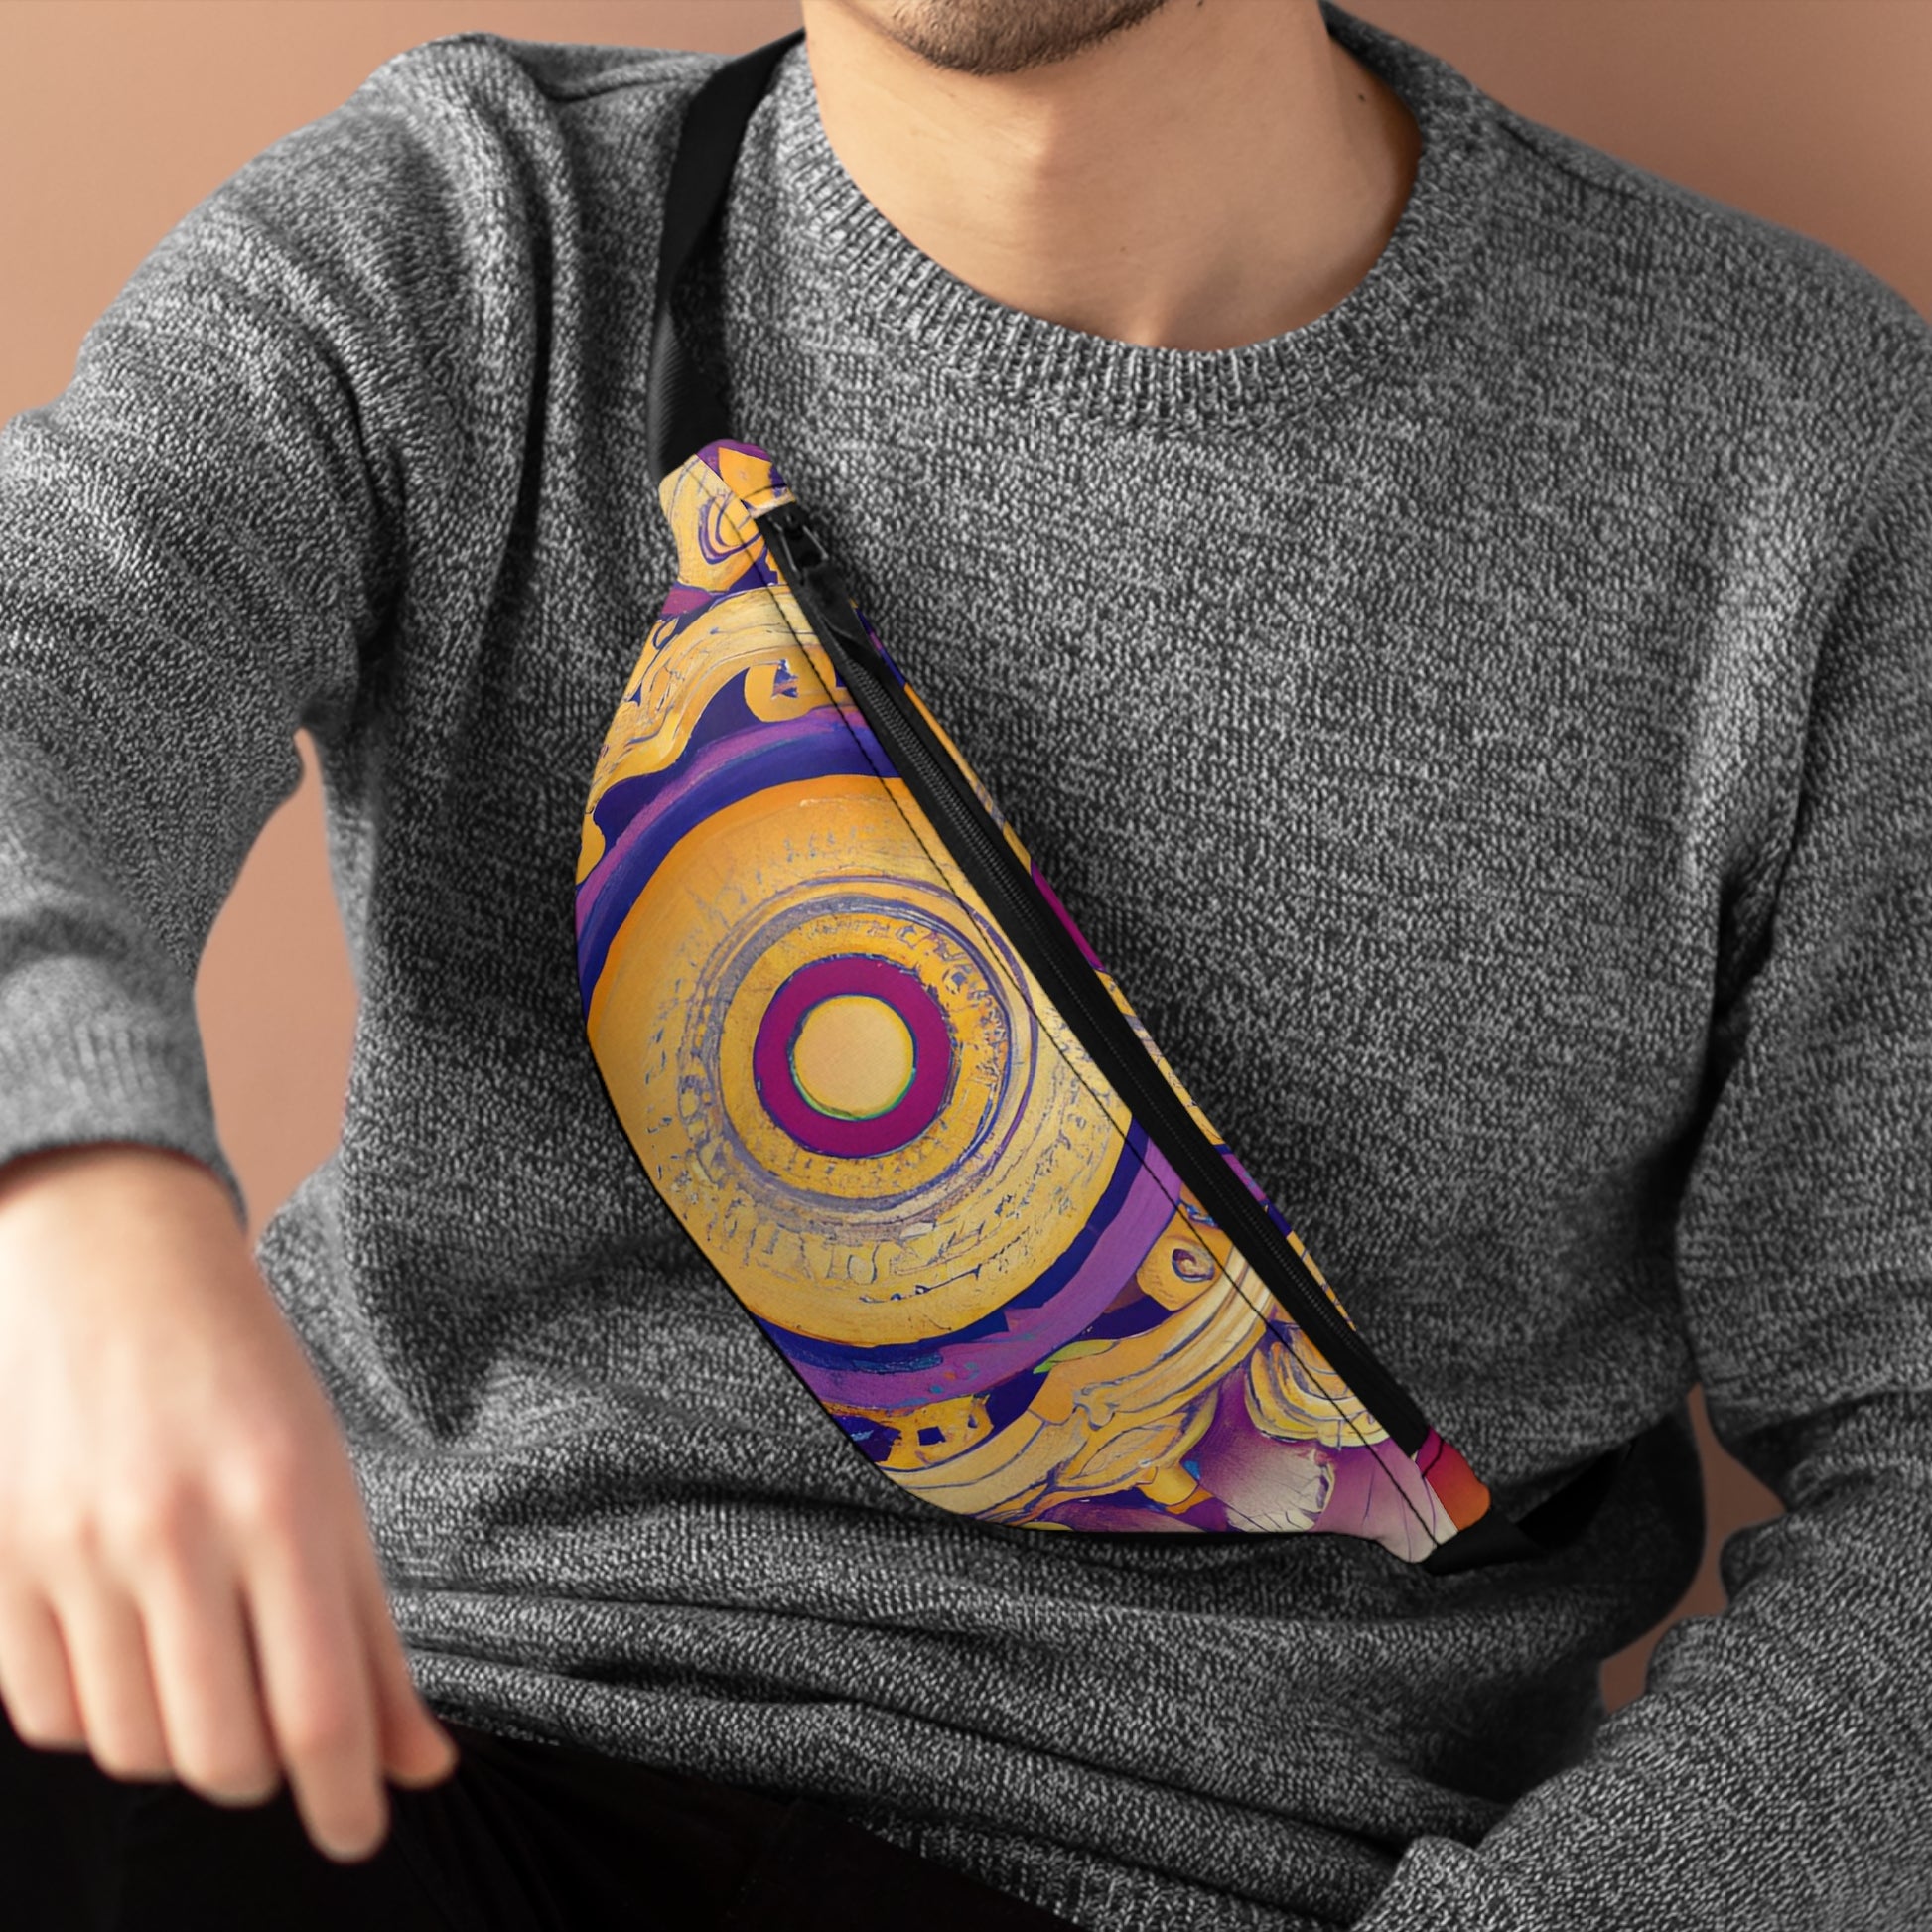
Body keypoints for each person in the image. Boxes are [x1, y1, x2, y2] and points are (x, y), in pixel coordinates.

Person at [0, 0, 1926, 1925]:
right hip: (385, 1763)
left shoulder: (1805, 458)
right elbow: (45, 668)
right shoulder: (466, 237)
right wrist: (79, 1190)